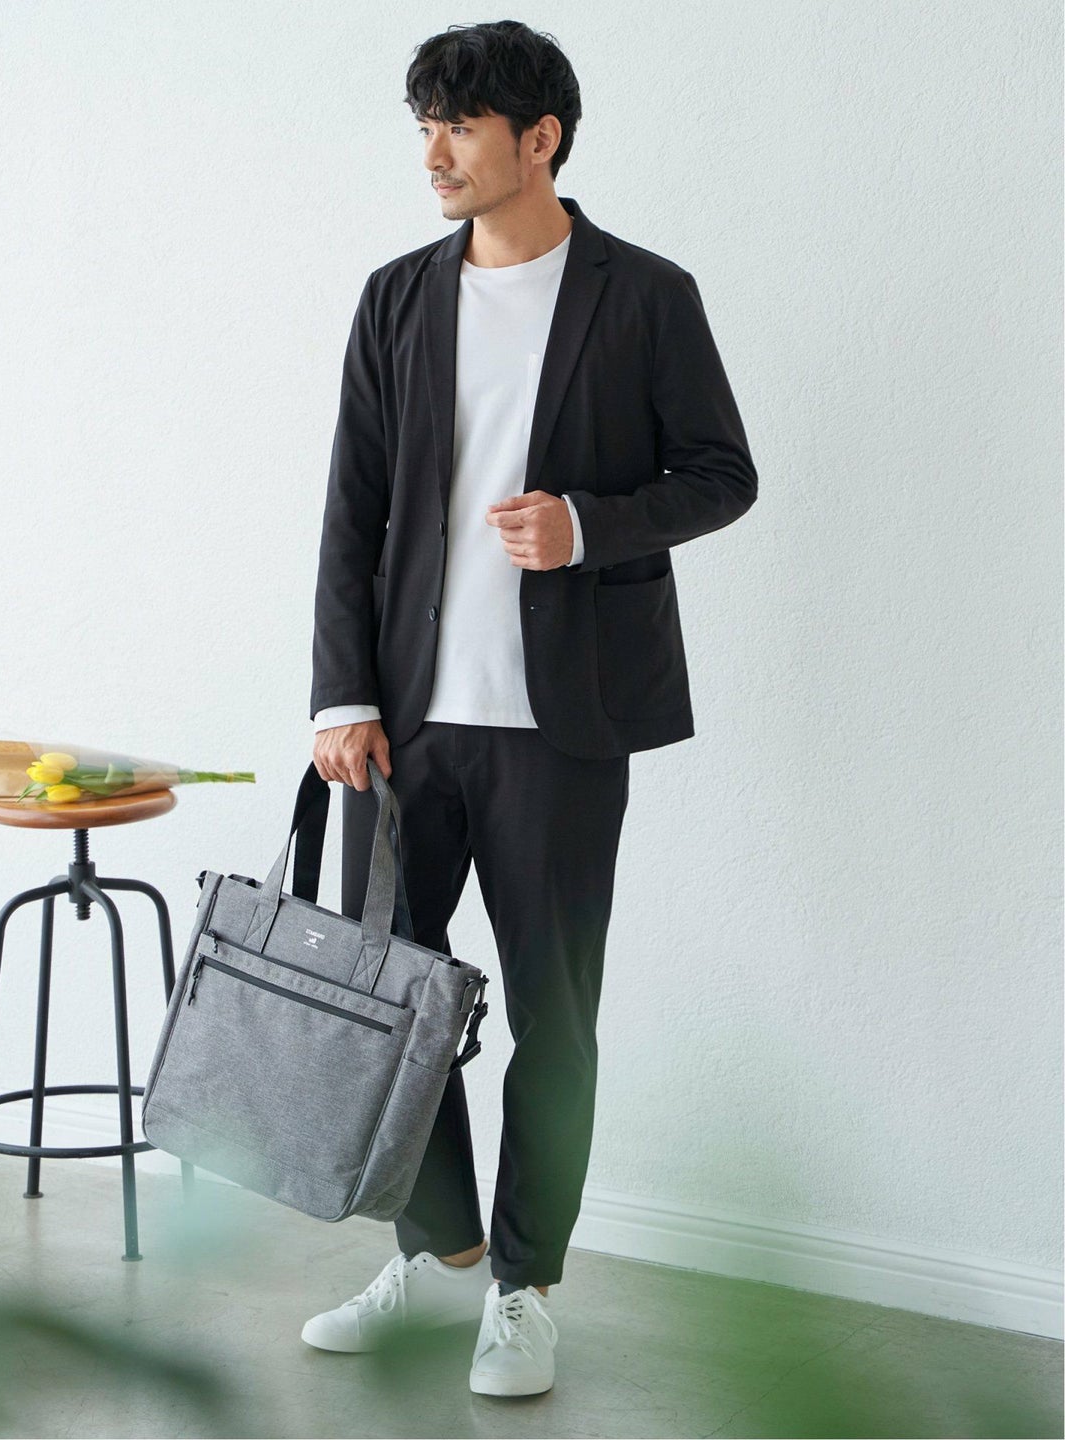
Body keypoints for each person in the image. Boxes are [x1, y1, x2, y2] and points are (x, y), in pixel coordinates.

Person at [301, 19, 758, 1397]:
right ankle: (433, 1250)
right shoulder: (395, 297)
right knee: (392, 996)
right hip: (404, 724)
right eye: (424, 125)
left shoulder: (646, 295)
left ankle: (522, 1285)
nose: (434, 153)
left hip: (564, 722)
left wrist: (587, 526)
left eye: (459, 125)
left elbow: (722, 473)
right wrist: (342, 692)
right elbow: (353, 509)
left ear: (539, 138)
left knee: (555, 1016)